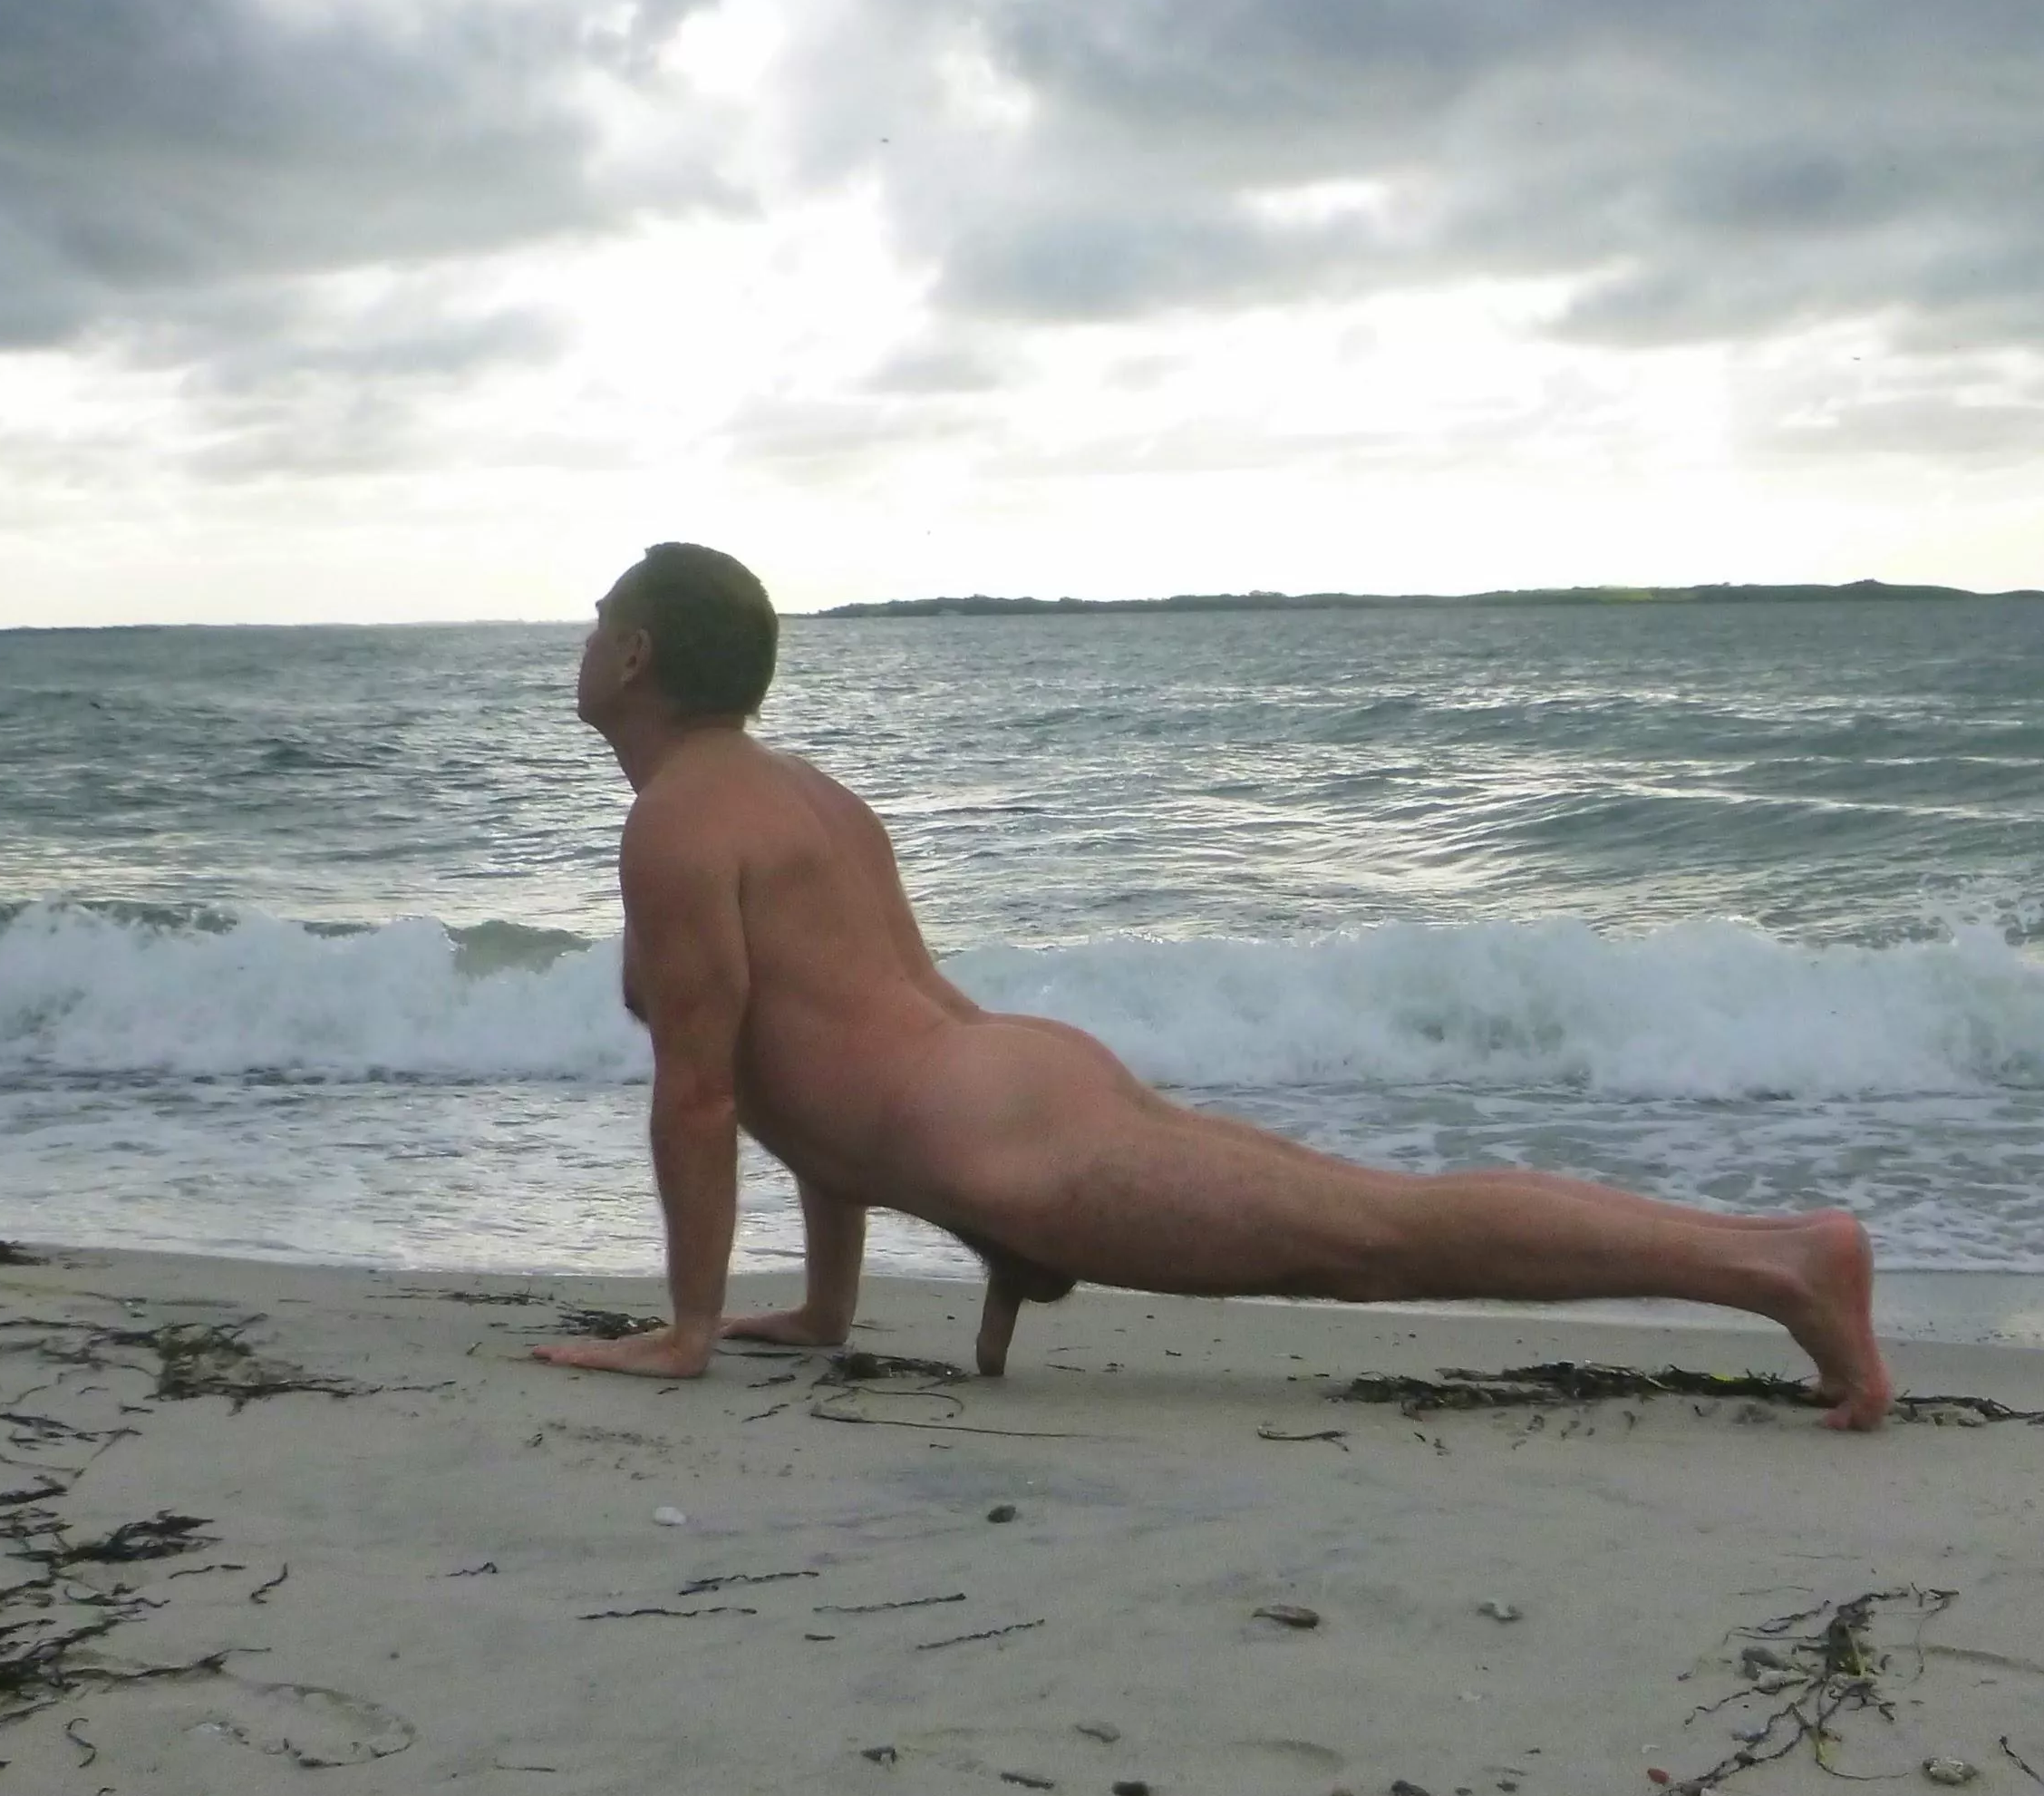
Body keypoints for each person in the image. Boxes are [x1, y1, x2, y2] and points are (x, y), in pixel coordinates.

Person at [529, 544, 1893, 1428]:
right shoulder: (802, 795)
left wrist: (688, 1330)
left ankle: (1779, 1264)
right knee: (1374, 1220)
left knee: (1375, 1236)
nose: (585, 639)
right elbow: (814, 1063)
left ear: (637, 655)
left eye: (599, 620)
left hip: (1007, 1137)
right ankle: (1774, 1258)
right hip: (1010, 1080)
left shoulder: (679, 823)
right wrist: (826, 1311)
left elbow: (704, 1096)